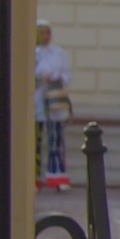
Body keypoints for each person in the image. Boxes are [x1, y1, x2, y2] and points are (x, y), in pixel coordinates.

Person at [33, 20, 71, 190]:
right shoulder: (33, 53)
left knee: (56, 139)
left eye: (47, 33)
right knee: (36, 140)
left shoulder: (59, 53)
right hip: (38, 102)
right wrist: (41, 77)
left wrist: (58, 78)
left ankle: (57, 176)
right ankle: (34, 178)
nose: (45, 36)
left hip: (55, 102)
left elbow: (67, 74)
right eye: (41, 33)